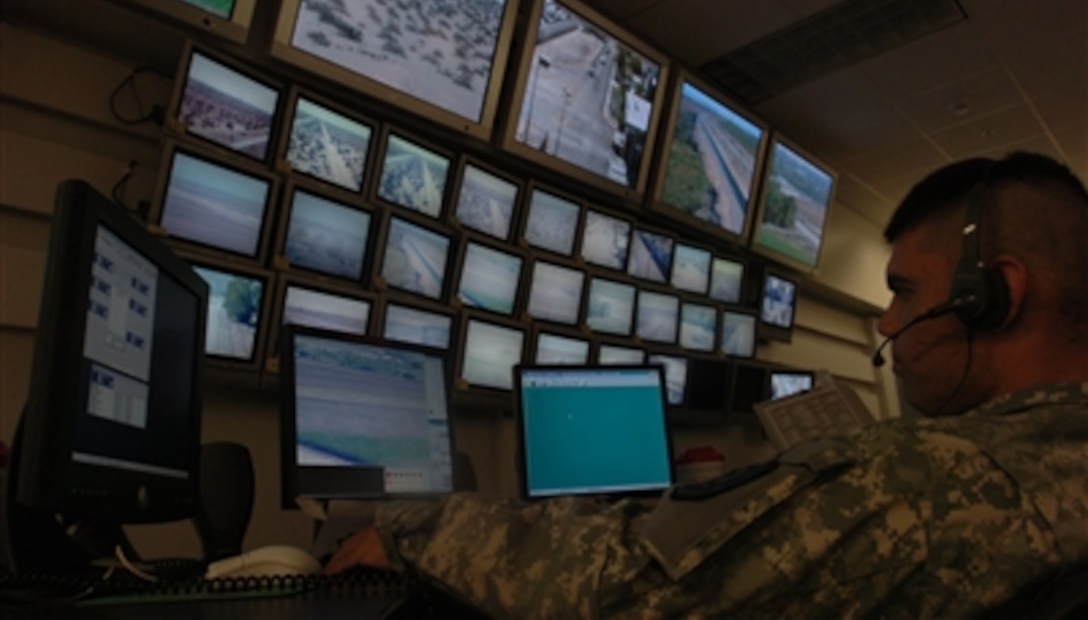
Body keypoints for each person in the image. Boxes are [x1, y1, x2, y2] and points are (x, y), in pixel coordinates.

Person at [326, 151, 1088, 618]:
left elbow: (627, 587)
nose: (888, 325)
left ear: (992, 293)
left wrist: (414, 529)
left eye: (904, 291)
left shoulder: (929, 479)